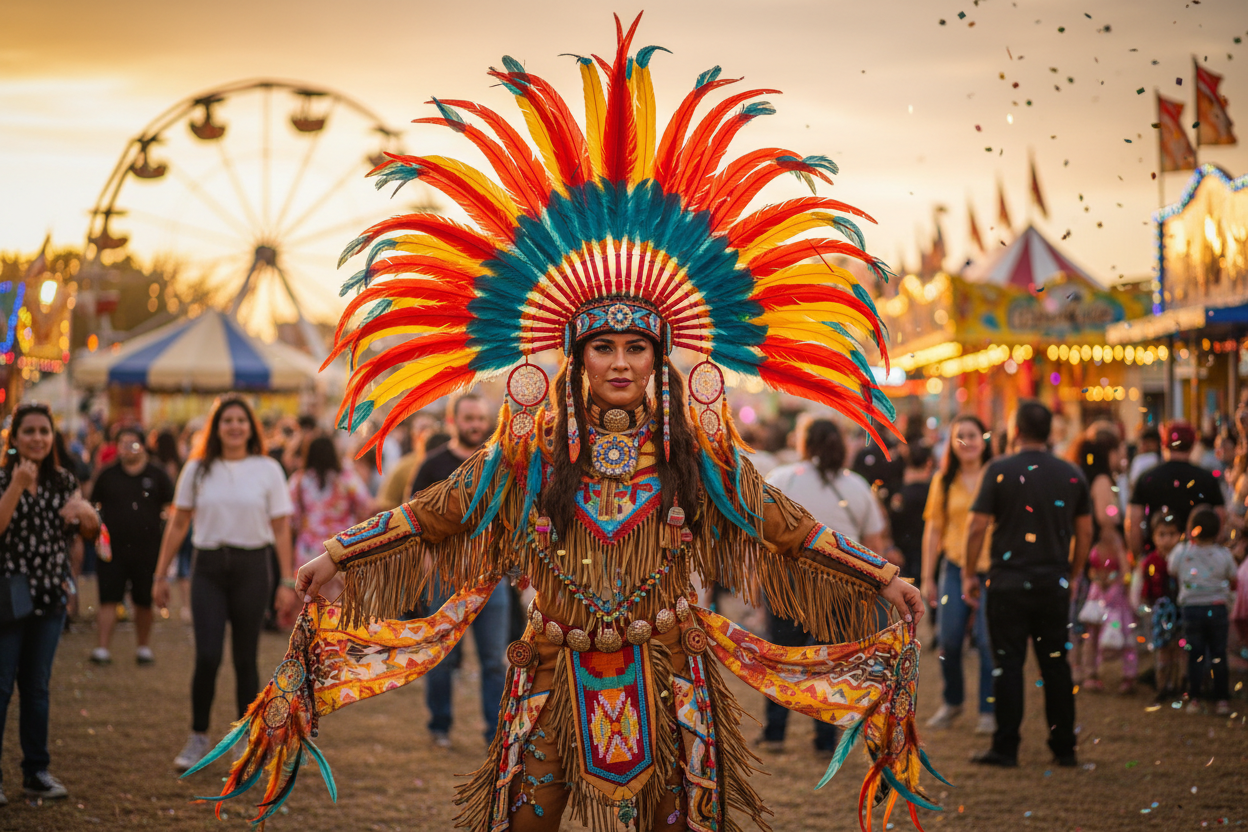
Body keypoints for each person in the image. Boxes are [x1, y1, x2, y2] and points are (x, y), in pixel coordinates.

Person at [199, 20, 934, 830]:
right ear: (574, 357)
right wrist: (337, 555)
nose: (620, 362)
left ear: (660, 360)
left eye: (635, 348)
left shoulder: (697, 456)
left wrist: (880, 578)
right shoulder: (530, 452)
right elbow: (441, 511)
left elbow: (780, 525)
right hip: (550, 670)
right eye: (603, 347)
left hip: (669, 673)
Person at [152, 395, 299, 772]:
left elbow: (281, 527)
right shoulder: (197, 468)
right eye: (227, 420)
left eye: (241, 420)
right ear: (216, 427)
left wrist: (286, 580)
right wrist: (161, 573)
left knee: (246, 658)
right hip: (209, 568)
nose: (234, 426)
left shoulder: (268, 469)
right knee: (207, 656)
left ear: (251, 427)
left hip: (253, 566)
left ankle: (243, 741)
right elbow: (179, 523)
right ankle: (198, 737)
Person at [964, 400, 1091, 768]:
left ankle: (1005, 747)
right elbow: (1085, 531)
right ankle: (1064, 747)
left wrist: (971, 572)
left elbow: (976, 526)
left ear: (1016, 431)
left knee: (1007, 664)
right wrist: (1075, 570)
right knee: (1056, 665)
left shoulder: (999, 469)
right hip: (1053, 580)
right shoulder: (1070, 473)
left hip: (1007, 581)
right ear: (1050, 432)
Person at [758, 419, 888, 754]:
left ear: (805, 443)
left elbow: (760, 533)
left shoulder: (782, 479)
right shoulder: (857, 486)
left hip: (788, 581)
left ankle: (775, 732)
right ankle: (826, 740)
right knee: (832, 661)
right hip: (843, 585)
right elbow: (873, 545)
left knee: (783, 657)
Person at [0, 402, 100, 802]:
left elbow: (88, 531)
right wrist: (16, 487)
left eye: (44, 431)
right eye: (29, 431)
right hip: (9, 594)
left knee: (37, 687)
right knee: (2, 685)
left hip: (50, 594)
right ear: (15, 438)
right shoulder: (4, 477)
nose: (38, 438)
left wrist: (89, 516)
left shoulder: (63, 479)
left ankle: (36, 771)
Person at [409, 394, 510, 749]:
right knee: (442, 660)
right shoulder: (433, 465)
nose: (476, 425)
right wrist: (424, 575)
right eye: (469, 417)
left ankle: (493, 732)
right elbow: (414, 521)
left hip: (490, 580)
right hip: (442, 580)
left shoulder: (498, 463)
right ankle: (440, 726)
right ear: (453, 421)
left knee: (494, 661)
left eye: (481, 418)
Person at [921, 415, 995, 735]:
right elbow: (933, 530)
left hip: (991, 570)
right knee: (949, 640)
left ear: (984, 439)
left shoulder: (996, 476)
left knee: (987, 642)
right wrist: (926, 577)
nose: (967, 441)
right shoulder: (943, 481)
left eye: (972, 434)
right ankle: (953, 701)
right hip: (952, 567)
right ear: (951, 443)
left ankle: (988, 711)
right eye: (959, 436)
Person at [89, 425, 175, 665]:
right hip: (112, 551)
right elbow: (92, 506)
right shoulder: (107, 475)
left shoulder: (157, 475)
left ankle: (143, 647)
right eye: (122, 443)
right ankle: (102, 648)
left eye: (133, 443)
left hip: (148, 550)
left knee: (143, 601)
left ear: (143, 445)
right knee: (108, 598)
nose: (127, 448)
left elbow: (171, 508)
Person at [1073, 433, 1136, 693]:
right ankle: (1090, 671)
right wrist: (1118, 514)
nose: (1121, 456)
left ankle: (1083, 669)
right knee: (1101, 616)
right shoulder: (1101, 480)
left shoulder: (1085, 476)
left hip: (1089, 554)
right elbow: (1106, 516)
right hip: (1102, 558)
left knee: (1088, 617)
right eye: (1117, 451)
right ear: (1105, 453)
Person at [288, 435, 373, 619]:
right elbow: (365, 505)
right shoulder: (347, 478)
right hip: (342, 547)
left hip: (308, 549)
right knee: (340, 607)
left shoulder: (299, 480)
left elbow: (292, 518)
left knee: (311, 604)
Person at [1168, 506, 1237, 714]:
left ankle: (1195, 698)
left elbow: (1171, 569)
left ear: (1192, 530)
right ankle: (1222, 699)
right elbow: (1233, 579)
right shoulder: (1223, 554)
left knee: (1195, 654)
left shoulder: (1182, 552)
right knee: (1218, 654)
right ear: (1217, 531)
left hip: (1191, 610)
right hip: (1217, 610)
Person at [1127, 422, 1225, 564]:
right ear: (1193, 445)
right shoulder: (1207, 479)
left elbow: (1133, 522)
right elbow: (1220, 519)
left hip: (1156, 560)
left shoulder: (1147, 478)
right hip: (1197, 562)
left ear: (1164, 444)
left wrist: (1138, 556)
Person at [1138, 514, 1183, 701]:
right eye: (1162, 534)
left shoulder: (1183, 558)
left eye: (1172, 534)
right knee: (1162, 650)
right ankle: (1162, 686)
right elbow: (1146, 589)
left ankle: (1176, 685)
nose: (1167, 539)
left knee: (1178, 649)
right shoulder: (1150, 562)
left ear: (1180, 535)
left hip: (1180, 610)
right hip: (1160, 612)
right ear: (1154, 537)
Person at [888, 442, 932, 584]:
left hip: (902, 555)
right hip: (928, 553)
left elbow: (891, 521)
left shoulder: (900, 494)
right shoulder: (932, 493)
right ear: (929, 463)